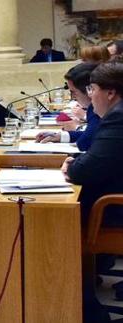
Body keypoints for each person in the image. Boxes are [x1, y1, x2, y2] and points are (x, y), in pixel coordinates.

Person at [61, 61, 123, 323]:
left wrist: (73, 165)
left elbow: (87, 169)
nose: (90, 94)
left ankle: (87, 311)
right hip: (111, 201)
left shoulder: (118, 117)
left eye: (92, 88)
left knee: (56, 225)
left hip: (113, 210)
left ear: (110, 92)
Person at [35, 63, 100, 151]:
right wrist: (61, 136)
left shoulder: (97, 109)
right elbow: (94, 135)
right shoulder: (93, 108)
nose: (73, 97)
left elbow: (84, 142)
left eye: (73, 92)